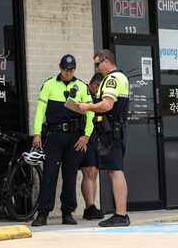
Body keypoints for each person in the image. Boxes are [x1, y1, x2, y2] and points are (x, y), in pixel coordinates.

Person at [30, 54, 93, 227]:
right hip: (55, 136)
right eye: (66, 69)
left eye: (72, 70)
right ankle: (43, 213)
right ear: (60, 67)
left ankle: (68, 212)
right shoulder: (49, 84)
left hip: (74, 137)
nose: (68, 73)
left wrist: (86, 136)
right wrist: (37, 133)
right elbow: (40, 110)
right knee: (49, 173)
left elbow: (90, 113)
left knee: (70, 175)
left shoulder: (81, 86)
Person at [77, 49, 131, 227]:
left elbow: (107, 105)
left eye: (97, 64)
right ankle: (121, 213)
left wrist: (87, 107)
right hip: (114, 131)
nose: (97, 68)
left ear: (106, 61)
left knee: (115, 171)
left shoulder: (112, 79)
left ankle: (121, 214)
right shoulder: (120, 78)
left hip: (111, 132)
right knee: (116, 170)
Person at [78, 71, 105, 221]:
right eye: (98, 89)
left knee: (94, 172)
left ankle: (92, 206)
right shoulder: (82, 91)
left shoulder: (97, 98)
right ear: (94, 85)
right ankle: (89, 207)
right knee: (88, 171)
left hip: (95, 138)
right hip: (84, 137)